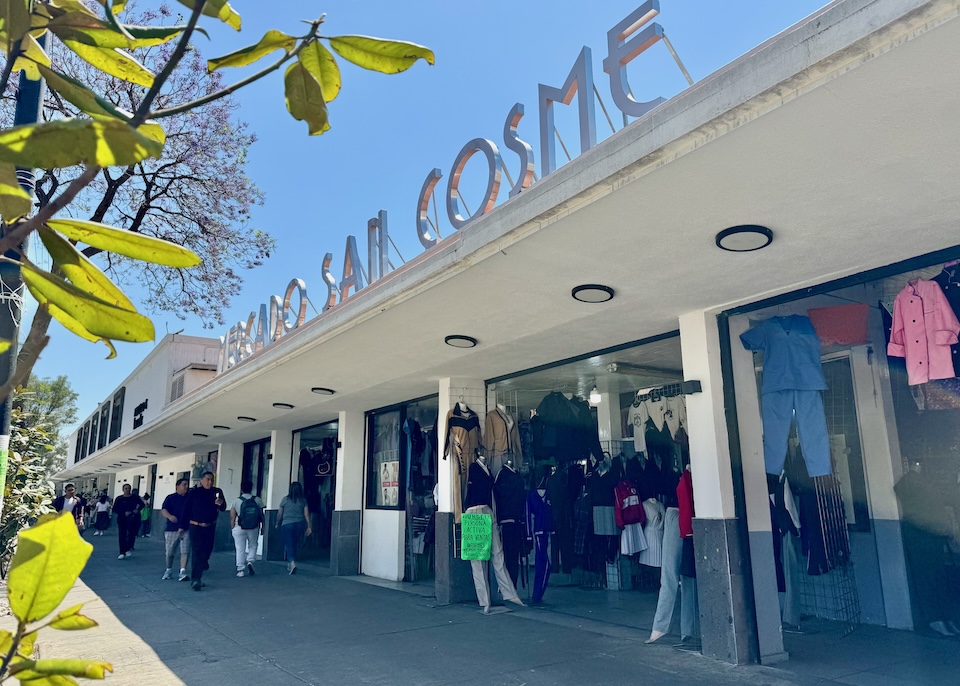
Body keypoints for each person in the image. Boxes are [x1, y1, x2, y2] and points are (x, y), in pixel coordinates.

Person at [178, 472, 226, 591]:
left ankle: (204, 562)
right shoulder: (194, 493)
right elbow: (186, 509)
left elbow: (223, 507)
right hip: (196, 526)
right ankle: (196, 579)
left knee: (207, 550)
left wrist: (221, 504)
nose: (210, 482)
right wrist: (182, 526)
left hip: (210, 526)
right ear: (202, 480)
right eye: (207, 479)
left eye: (212, 480)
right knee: (197, 552)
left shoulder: (217, 492)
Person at [230, 480, 264, 578]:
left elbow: (232, 516)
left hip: (239, 526)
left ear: (241, 489)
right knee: (253, 544)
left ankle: (240, 570)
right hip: (253, 526)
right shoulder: (257, 500)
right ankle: (250, 561)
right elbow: (261, 515)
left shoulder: (236, 501)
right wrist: (263, 526)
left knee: (240, 548)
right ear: (251, 488)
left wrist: (232, 527)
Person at [277, 482, 311, 575]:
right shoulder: (303, 500)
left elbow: (280, 513)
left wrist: (277, 523)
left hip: (287, 524)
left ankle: (292, 562)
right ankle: (290, 562)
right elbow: (306, 514)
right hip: (299, 524)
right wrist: (309, 526)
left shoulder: (285, 500)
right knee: (294, 543)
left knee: (288, 543)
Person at [161, 478, 191, 581]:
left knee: (185, 550)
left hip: (186, 528)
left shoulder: (189, 498)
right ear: (177, 487)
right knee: (170, 552)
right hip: (172, 529)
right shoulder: (170, 498)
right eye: (184, 485)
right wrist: (170, 517)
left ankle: (182, 571)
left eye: (187, 484)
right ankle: (168, 569)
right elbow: (164, 510)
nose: (186, 487)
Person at [113, 484, 144, 559]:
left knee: (131, 534)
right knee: (122, 535)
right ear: (123, 489)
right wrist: (123, 513)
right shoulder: (119, 499)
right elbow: (114, 509)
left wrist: (136, 510)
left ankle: (128, 548)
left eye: (129, 488)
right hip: (122, 519)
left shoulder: (135, 498)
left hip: (132, 519)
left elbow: (142, 504)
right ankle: (122, 552)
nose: (127, 490)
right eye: (126, 488)